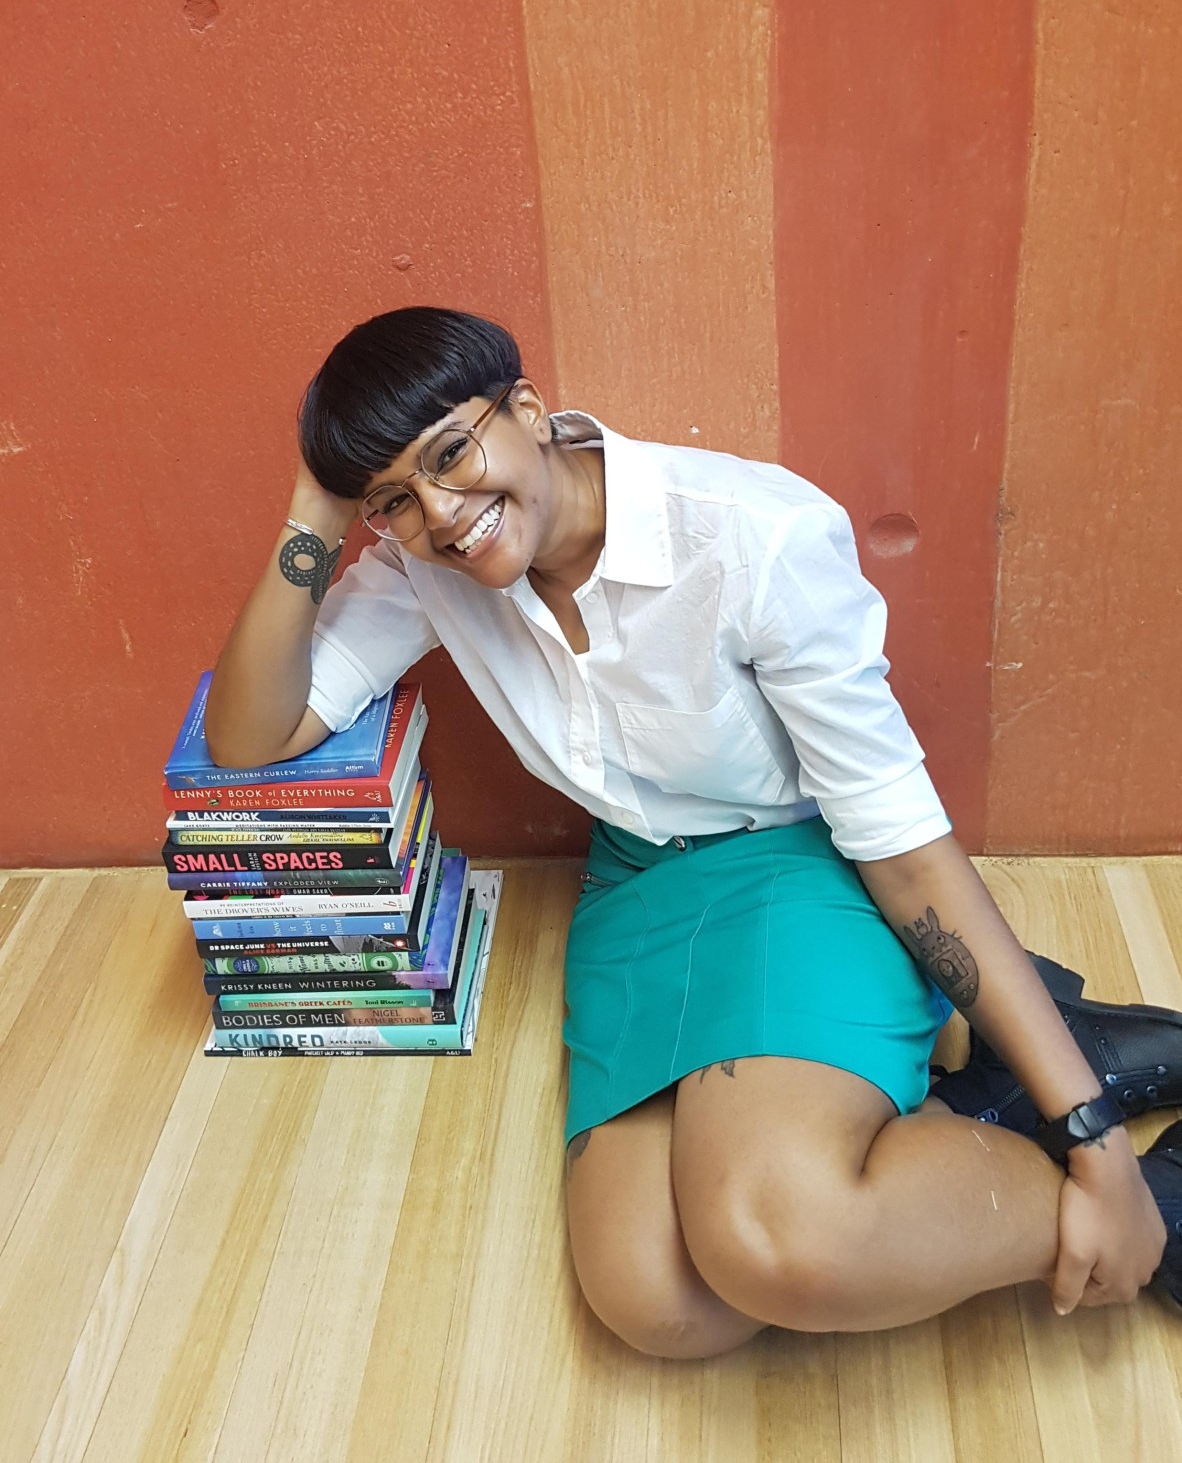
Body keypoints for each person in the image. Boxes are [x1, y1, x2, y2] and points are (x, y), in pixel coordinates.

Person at [206, 306, 1182, 1360]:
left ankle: (1151, 1200)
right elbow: (247, 735)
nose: (443, 514)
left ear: (529, 410)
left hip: (803, 863)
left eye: (454, 453)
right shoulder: (424, 569)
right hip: (637, 884)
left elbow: (902, 846)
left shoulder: (753, 536)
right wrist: (318, 501)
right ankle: (971, 1055)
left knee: (778, 1237)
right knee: (659, 1301)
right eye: (394, 499)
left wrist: (1095, 1146)